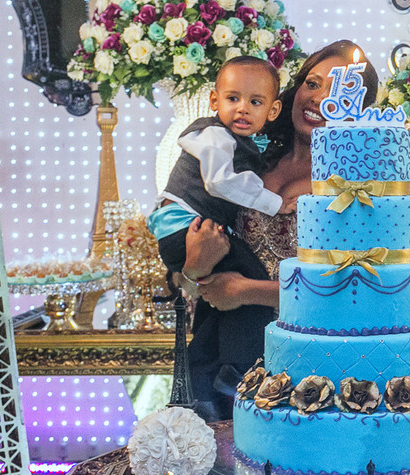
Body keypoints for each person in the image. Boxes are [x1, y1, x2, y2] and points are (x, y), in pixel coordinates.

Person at [180, 41, 380, 420]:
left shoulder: (355, 185)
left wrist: (244, 291)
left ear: (357, 107)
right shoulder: (247, 160)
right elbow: (192, 273)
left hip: (310, 359)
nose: (319, 98)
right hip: (227, 348)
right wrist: (194, 267)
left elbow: (353, 289)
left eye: (338, 91)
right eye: (313, 83)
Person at [148, 56, 290, 285]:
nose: (243, 108)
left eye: (255, 102)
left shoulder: (240, 140)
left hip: (185, 229)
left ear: (272, 110)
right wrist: (275, 203)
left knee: (234, 278)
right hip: (183, 231)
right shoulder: (214, 135)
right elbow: (219, 182)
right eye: (233, 98)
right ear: (215, 100)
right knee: (251, 274)